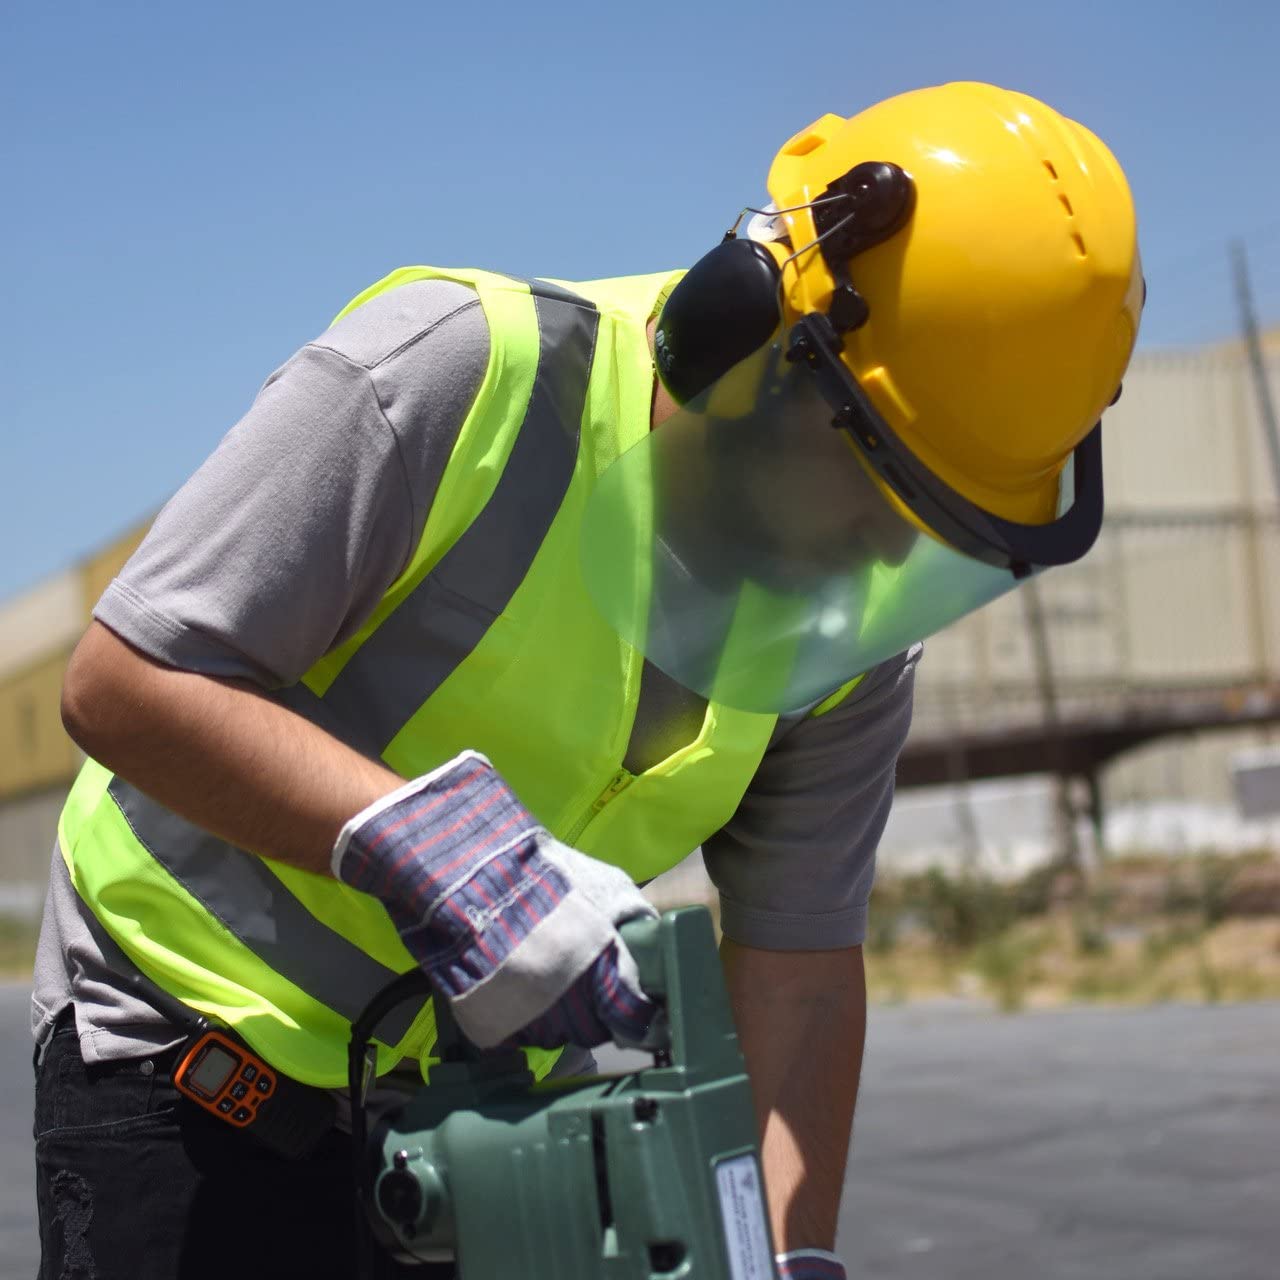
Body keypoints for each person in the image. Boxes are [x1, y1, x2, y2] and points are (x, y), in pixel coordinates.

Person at [32, 80, 1141, 1279]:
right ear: (749, 331)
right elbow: (126, 679)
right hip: (191, 1066)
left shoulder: (848, 634)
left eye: (929, 530)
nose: (882, 556)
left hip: (485, 1124)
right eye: (871, 483)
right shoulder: (456, 373)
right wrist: (433, 851)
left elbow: (799, 964)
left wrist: (780, 1255)